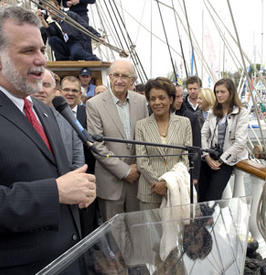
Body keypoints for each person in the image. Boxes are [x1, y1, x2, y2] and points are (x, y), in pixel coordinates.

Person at [0, 6, 96, 274]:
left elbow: (58, 176)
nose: (41, 59)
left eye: (42, 50)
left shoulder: (46, 110)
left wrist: (79, 189)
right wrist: (56, 192)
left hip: (70, 260)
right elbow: (56, 188)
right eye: (28, 51)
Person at [86, 59, 148, 221]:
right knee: (115, 237)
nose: (119, 80)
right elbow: (96, 145)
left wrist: (138, 168)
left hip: (137, 180)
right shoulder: (94, 104)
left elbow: (145, 138)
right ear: (110, 77)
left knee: (138, 231)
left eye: (125, 76)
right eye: (116, 75)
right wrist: (125, 171)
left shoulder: (141, 102)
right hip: (110, 182)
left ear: (132, 80)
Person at [135, 77, 192, 210]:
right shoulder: (141, 126)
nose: (157, 102)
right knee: (150, 231)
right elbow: (142, 161)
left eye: (162, 97)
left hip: (176, 191)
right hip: (149, 191)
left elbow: (186, 159)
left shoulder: (184, 123)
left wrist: (167, 183)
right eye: (152, 99)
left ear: (170, 99)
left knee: (176, 230)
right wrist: (158, 184)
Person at [199, 78, 248, 202]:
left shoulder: (241, 113)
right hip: (210, 156)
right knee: (200, 193)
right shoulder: (213, 112)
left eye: (222, 92)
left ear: (231, 93)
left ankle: (206, 220)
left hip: (227, 160)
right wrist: (207, 157)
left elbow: (240, 142)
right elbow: (203, 134)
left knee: (213, 196)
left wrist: (221, 160)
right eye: (217, 92)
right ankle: (202, 220)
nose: (219, 95)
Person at [61, 75, 98, 235]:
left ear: (80, 94)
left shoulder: (88, 113)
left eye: (74, 90)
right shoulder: (50, 112)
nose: (70, 93)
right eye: (67, 90)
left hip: (86, 173)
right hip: (61, 177)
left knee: (87, 220)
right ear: (60, 91)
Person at [32, 69, 85, 170]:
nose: (41, 90)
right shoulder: (20, 116)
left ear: (55, 91)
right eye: (37, 83)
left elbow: (78, 157)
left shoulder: (68, 118)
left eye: (46, 85)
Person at [37, 0, 101, 61]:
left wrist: (97, 35)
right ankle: (62, 60)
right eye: (48, 9)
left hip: (74, 42)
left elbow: (84, 26)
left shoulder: (70, 15)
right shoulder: (50, 22)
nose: (50, 10)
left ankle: (95, 60)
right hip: (64, 45)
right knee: (52, 40)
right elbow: (52, 32)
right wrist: (42, 20)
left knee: (76, 53)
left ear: (58, 7)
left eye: (51, 8)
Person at [174, 85, 201, 185]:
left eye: (181, 96)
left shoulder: (190, 118)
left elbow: (196, 147)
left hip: (186, 172)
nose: (181, 100)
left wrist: (194, 176)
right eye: (177, 97)